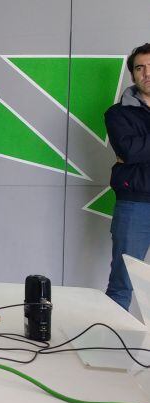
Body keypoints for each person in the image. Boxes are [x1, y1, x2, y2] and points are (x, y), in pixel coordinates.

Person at [104, 43, 150, 311]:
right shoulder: (118, 113)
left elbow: (136, 149)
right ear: (133, 75)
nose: (146, 73)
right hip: (135, 205)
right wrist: (134, 151)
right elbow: (129, 151)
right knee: (122, 284)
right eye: (139, 68)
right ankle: (107, 350)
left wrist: (140, 147)